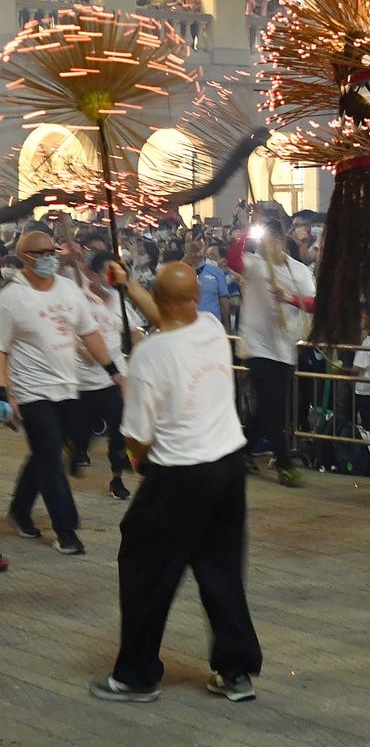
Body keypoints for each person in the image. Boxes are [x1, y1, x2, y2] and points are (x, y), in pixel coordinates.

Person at [89, 262, 262, 703]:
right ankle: (236, 670)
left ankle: (136, 675)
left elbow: (138, 436)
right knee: (220, 567)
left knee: (145, 565)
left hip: (181, 475)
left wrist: (136, 461)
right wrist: (127, 285)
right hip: (227, 466)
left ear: (160, 301)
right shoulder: (209, 326)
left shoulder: (150, 355)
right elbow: (169, 312)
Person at [0, 231, 120, 555]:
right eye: (40, 254)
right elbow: (1, 350)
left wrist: (113, 371)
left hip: (69, 388)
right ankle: (67, 532)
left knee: (45, 453)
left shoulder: (68, 289)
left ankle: (20, 511)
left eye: (51, 251)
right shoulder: (11, 298)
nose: (48, 258)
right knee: (51, 458)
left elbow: (89, 333)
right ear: (24, 256)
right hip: (32, 391)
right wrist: (5, 393)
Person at [227, 220, 315, 487]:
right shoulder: (254, 264)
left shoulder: (298, 271)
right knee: (272, 402)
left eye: (276, 238)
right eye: (267, 238)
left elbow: (313, 303)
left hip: (285, 346)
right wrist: (244, 234)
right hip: (257, 346)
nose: (271, 243)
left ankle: (240, 448)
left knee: (270, 406)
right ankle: (283, 462)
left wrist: (288, 297)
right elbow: (233, 260)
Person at [71, 252, 143, 500]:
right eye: (107, 272)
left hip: (114, 379)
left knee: (118, 432)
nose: (111, 278)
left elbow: (134, 331)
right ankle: (76, 448)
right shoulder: (78, 300)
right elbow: (66, 334)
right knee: (81, 434)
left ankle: (116, 478)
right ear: (91, 273)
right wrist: (82, 349)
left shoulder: (118, 299)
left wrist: (137, 350)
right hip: (82, 382)